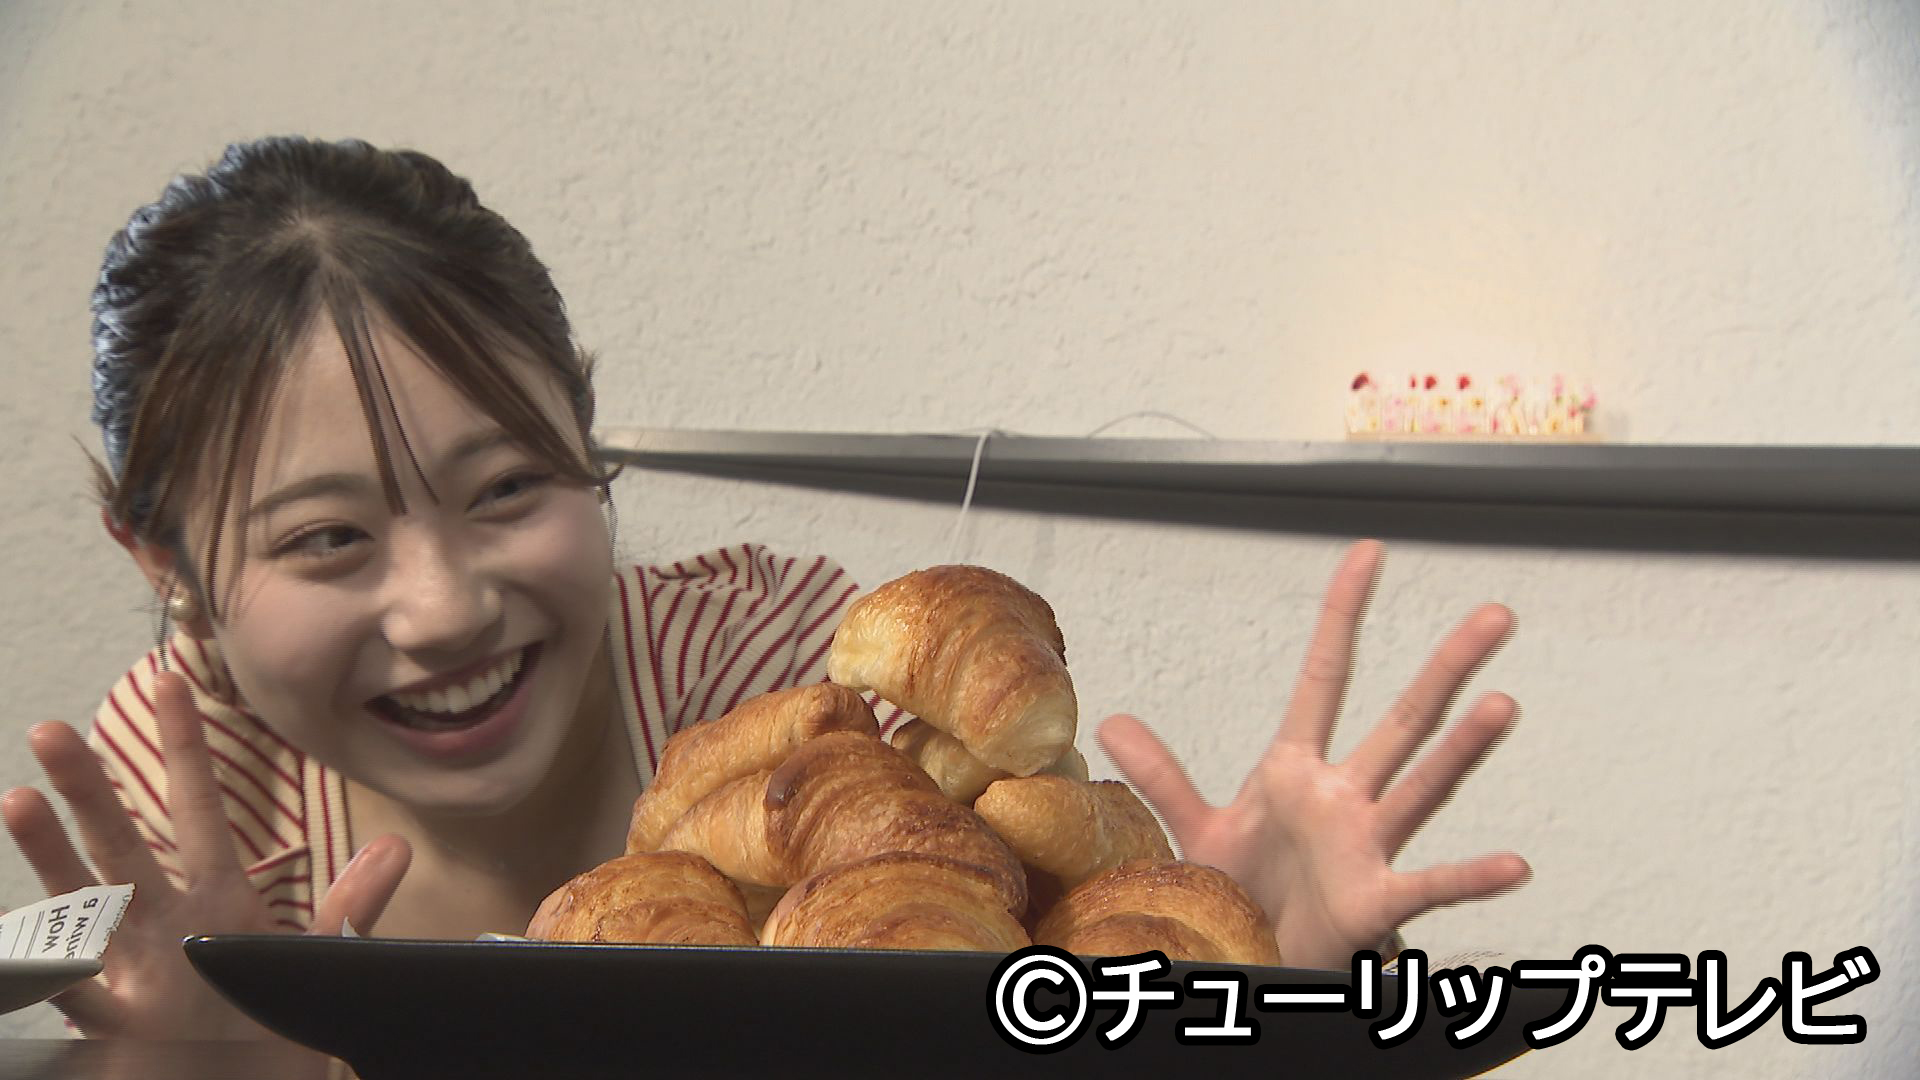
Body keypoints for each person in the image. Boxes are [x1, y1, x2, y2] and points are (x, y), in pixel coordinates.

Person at [3, 136, 1530, 1042]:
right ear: (166, 564)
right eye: (328, 540)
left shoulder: (777, 672)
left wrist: (1255, 1008)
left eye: (509, 488)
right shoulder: (174, 813)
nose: (446, 605)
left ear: (586, 440)